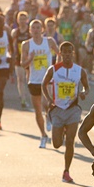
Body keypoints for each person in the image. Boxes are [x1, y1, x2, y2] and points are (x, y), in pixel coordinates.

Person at [41, 41, 90, 183]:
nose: (67, 55)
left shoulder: (79, 70)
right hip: (57, 109)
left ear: (73, 53)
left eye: (70, 52)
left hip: (73, 109)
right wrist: (49, 99)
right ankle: (59, 130)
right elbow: (44, 84)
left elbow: (86, 88)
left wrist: (83, 93)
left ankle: (66, 171)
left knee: (70, 141)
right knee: (57, 144)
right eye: (65, 52)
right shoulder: (54, 69)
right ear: (60, 54)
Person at [20, 18, 59, 149]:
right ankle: (43, 135)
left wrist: (56, 68)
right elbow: (22, 64)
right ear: (30, 30)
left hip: (47, 78)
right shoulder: (26, 44)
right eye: (33, 28)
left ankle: (48, 116)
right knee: (37, 110)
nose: (36, 30)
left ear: (42, 29)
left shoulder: (49, 41)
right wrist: (30, 59)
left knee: (46, 103)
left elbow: (60, 54)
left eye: (38, 27)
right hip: (34, 80)